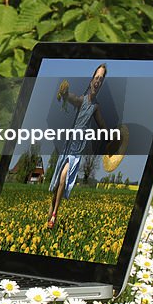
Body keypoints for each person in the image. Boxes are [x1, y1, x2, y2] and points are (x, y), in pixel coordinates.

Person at [45, 63, 108, 229]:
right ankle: (51, 214)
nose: (98, 80)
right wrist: (64, 94)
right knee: (58, 182)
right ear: (91, 80)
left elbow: (102, 125)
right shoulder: (82, 100)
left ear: (101, 84)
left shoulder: (96, 107)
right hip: (68, 146)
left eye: (101, 78)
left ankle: (54, 215)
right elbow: (71, 98)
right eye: (96, 77)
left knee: (63, 178)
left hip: (77, 150)